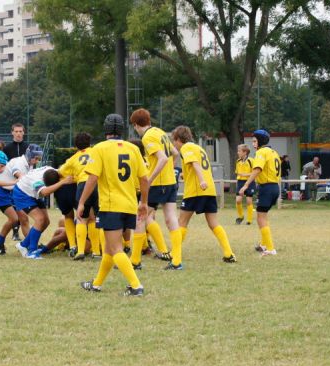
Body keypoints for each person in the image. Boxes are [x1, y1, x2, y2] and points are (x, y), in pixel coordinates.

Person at [78, 113, 149, 296]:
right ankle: (96, 284)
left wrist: (82, 202)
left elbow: (92, 178)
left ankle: (136, 286)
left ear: (106, 129)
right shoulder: (133, 148)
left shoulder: (100, 148)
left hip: (111, 205)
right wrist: (144, 203)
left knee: (116, 248)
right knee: (110, 249)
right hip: (129, 204)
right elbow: (144, 179)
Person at [171, 126, 236, 264]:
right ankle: (228, 253)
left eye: (174, 141)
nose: (174, 144)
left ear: (178, 139)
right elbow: (198, 166)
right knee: (213, 223)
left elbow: (195, 164)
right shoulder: (199, 148)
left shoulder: (186, 148)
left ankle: (174, 256)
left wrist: (201, 181)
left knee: (181, 222)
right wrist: (185, 174)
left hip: (196, 190)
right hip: (209, 189)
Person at [130, 108, 183, 270]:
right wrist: (170, 170)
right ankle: (176, 260)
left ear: (135, 124)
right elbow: (175, 153)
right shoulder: (160, 132)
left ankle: (135, 260)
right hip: (169, 182)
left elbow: (162, 159)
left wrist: (149, 180)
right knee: (171, 218)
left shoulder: (148, 137)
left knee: (140, 217)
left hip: (157, 184)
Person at [0, 144, 43, 255]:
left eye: (38, 158)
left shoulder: (30, 164)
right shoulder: (19, 162)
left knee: (24, 219)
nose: (37, 160)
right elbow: (18, 174)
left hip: (13, 192)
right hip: (0, 191)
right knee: (14, 219)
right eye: (36, 158)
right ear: (29, 155)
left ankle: (29, 244)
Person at [13, 165, 74, 259]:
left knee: (46, 222)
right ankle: (32, 251)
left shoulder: (54, 171)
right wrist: (62, 182)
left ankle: (23, 244)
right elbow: (45, 192)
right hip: (22, 194)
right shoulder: (37, 182)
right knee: (40, 219)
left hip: (32, 193)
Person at [60, 132, 102, 261]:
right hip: (96, 185)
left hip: (83, 186)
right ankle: (96, 252)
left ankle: (80, 251)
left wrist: (76, 175)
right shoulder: (96, 152)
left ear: (75, 145)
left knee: (81, 218)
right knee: (95, 219)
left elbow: (61, 171)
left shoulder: (73, 158)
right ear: (90, 143)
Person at [239, 129, 281, 257]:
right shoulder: (274, 152)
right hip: (275, 187)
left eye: (254, 141)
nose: (253, 144)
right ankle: (263, 244)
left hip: (266, 188)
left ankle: (270, 248)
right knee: (263, 216)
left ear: (261, 141)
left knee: (260, 217)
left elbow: (257, 169)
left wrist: (246, 185)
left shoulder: (261, 152)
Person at [234, 144, 256, 225]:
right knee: (238, 200)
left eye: (239, 151)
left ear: (245, 152)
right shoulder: (238, 161)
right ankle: (240, 216)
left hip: (250, 182)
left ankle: (249, 220)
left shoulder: (251, 161)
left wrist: (245, 175)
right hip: (240, 182)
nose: (238, 152)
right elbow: (237, 172)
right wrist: (240, 175)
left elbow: (255, 173)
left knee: (249, 201)